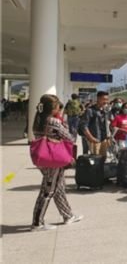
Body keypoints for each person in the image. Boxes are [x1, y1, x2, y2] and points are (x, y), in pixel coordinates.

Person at [31, 94, 83, 231]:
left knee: (58, 188)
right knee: (47, 191)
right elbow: (70, 138)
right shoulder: (54, 122)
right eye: (56, 106)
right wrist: (64, 124)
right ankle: (37, 223)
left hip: (42, 158)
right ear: (53, 108)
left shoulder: (37, 120)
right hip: (53, 160)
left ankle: (68, 215)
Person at [79, 91, 111, 157]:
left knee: (103, 158)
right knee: (96, 159)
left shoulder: (104, 111)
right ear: (98, 99)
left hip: (103, 139)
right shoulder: (90, 111)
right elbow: (83, 126)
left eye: (107, 99)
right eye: (104, 99)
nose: (106, 101)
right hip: (95, 139)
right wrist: (91, 138)